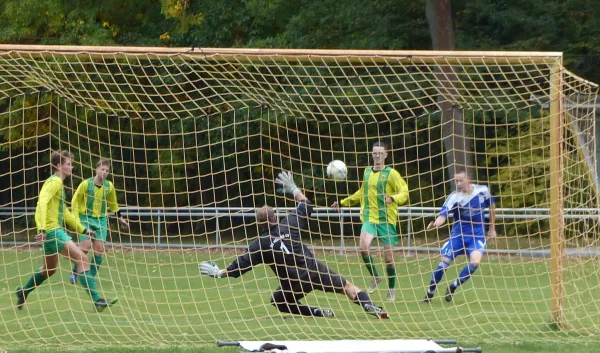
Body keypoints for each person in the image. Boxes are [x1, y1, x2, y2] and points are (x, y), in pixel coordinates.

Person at [199, 171, 389, 319]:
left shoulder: (260, 244)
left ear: (259, 224)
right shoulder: (290, 223)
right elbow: (306, 204)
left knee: (278, 301)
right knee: (347, 287)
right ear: (276, 217)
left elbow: (238, 268)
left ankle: (317, 312)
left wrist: (218, 273)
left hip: (293, 283)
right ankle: (370, 306)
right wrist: (293, 188)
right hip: (314, 270)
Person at [16, 150, 118, 312]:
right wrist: (41, 228)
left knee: (48, 270)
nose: (72, 166)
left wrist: (83, 229)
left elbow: (66, 214)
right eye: (68, 164)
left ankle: (24, 291)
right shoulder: (54, 182)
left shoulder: (58, 185)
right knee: (83, 259)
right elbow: (41, 202)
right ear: (58, 166)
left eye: (71, 163)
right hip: (52, 231)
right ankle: (97, 300)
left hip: (50, 232)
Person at [330, 142, 408, 301]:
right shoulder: (366, 172)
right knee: (363, 247)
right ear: (372, 155)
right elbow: (362, 193)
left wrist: (393, 198)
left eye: (380, 153)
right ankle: (375, 276)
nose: (377, 156)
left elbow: (404, 192)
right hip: (370, 218)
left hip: (386, 221)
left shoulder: (391, 173)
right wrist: (343, 202)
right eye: (374, 153)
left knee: (389, 259)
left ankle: (391, 289)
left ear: (386, 155)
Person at [423, 167, 496, 303]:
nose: (458, 184)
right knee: (443, 264)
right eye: (456, 181)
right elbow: (443, 215)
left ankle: (453, 286)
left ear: (468, 179)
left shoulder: (483, 191)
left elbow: (492, 206)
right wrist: (436, 223)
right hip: (458, 236)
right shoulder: (454, 197)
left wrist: (492, 228)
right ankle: (429, 293)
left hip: (476, 236)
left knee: (475, 262)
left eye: (460, 180)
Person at [69, 159, 129, 285]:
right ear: (96, 169)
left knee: (99, 249)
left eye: (107, 170)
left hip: (101, 220)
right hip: (85, 218)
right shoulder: (86, 184)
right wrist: (75, 219)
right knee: (85, 247)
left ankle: (90, 277)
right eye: (102, 169)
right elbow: (75, 200)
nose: (105, 172)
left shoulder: (109, 186)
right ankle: (74, 272)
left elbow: (113, 204)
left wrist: (120, 218)